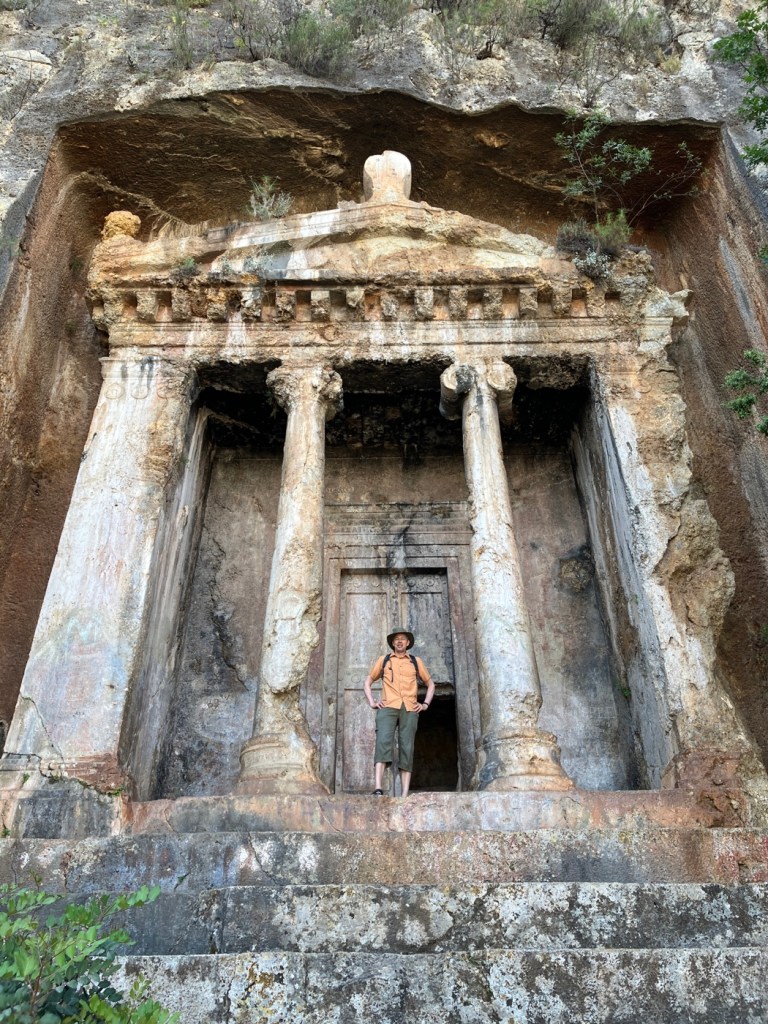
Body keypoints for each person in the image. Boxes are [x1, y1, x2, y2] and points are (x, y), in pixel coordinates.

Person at [363, 628, 435, 797]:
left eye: (403, 639)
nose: (400, 641)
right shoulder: (384, 660)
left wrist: (425, 704)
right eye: (397, 639)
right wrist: (372, 702)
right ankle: (378, 788)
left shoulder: (415, 661)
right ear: (393, 643)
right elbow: (368, 681)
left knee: (407, 748)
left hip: (409, 708)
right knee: (382, 742)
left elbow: (430, 684)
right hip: (388, 706)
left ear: (408, 643)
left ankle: (404, 794)